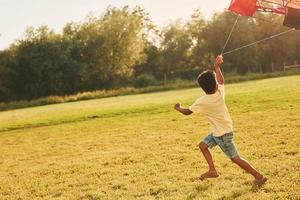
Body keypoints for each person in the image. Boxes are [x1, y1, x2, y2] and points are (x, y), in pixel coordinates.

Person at [174, 55, 267, 186]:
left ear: (202, 87)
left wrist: (178, 108)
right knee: (203, 145)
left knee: (235, 158)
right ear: (215, 85)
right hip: (219, 132)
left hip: (222, 135)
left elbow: (187, 112)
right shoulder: (219, 93)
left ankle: (259, 176)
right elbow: (222, 81)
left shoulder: (203, 101)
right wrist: (217, 67)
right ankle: (212, 171)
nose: (218, 83)